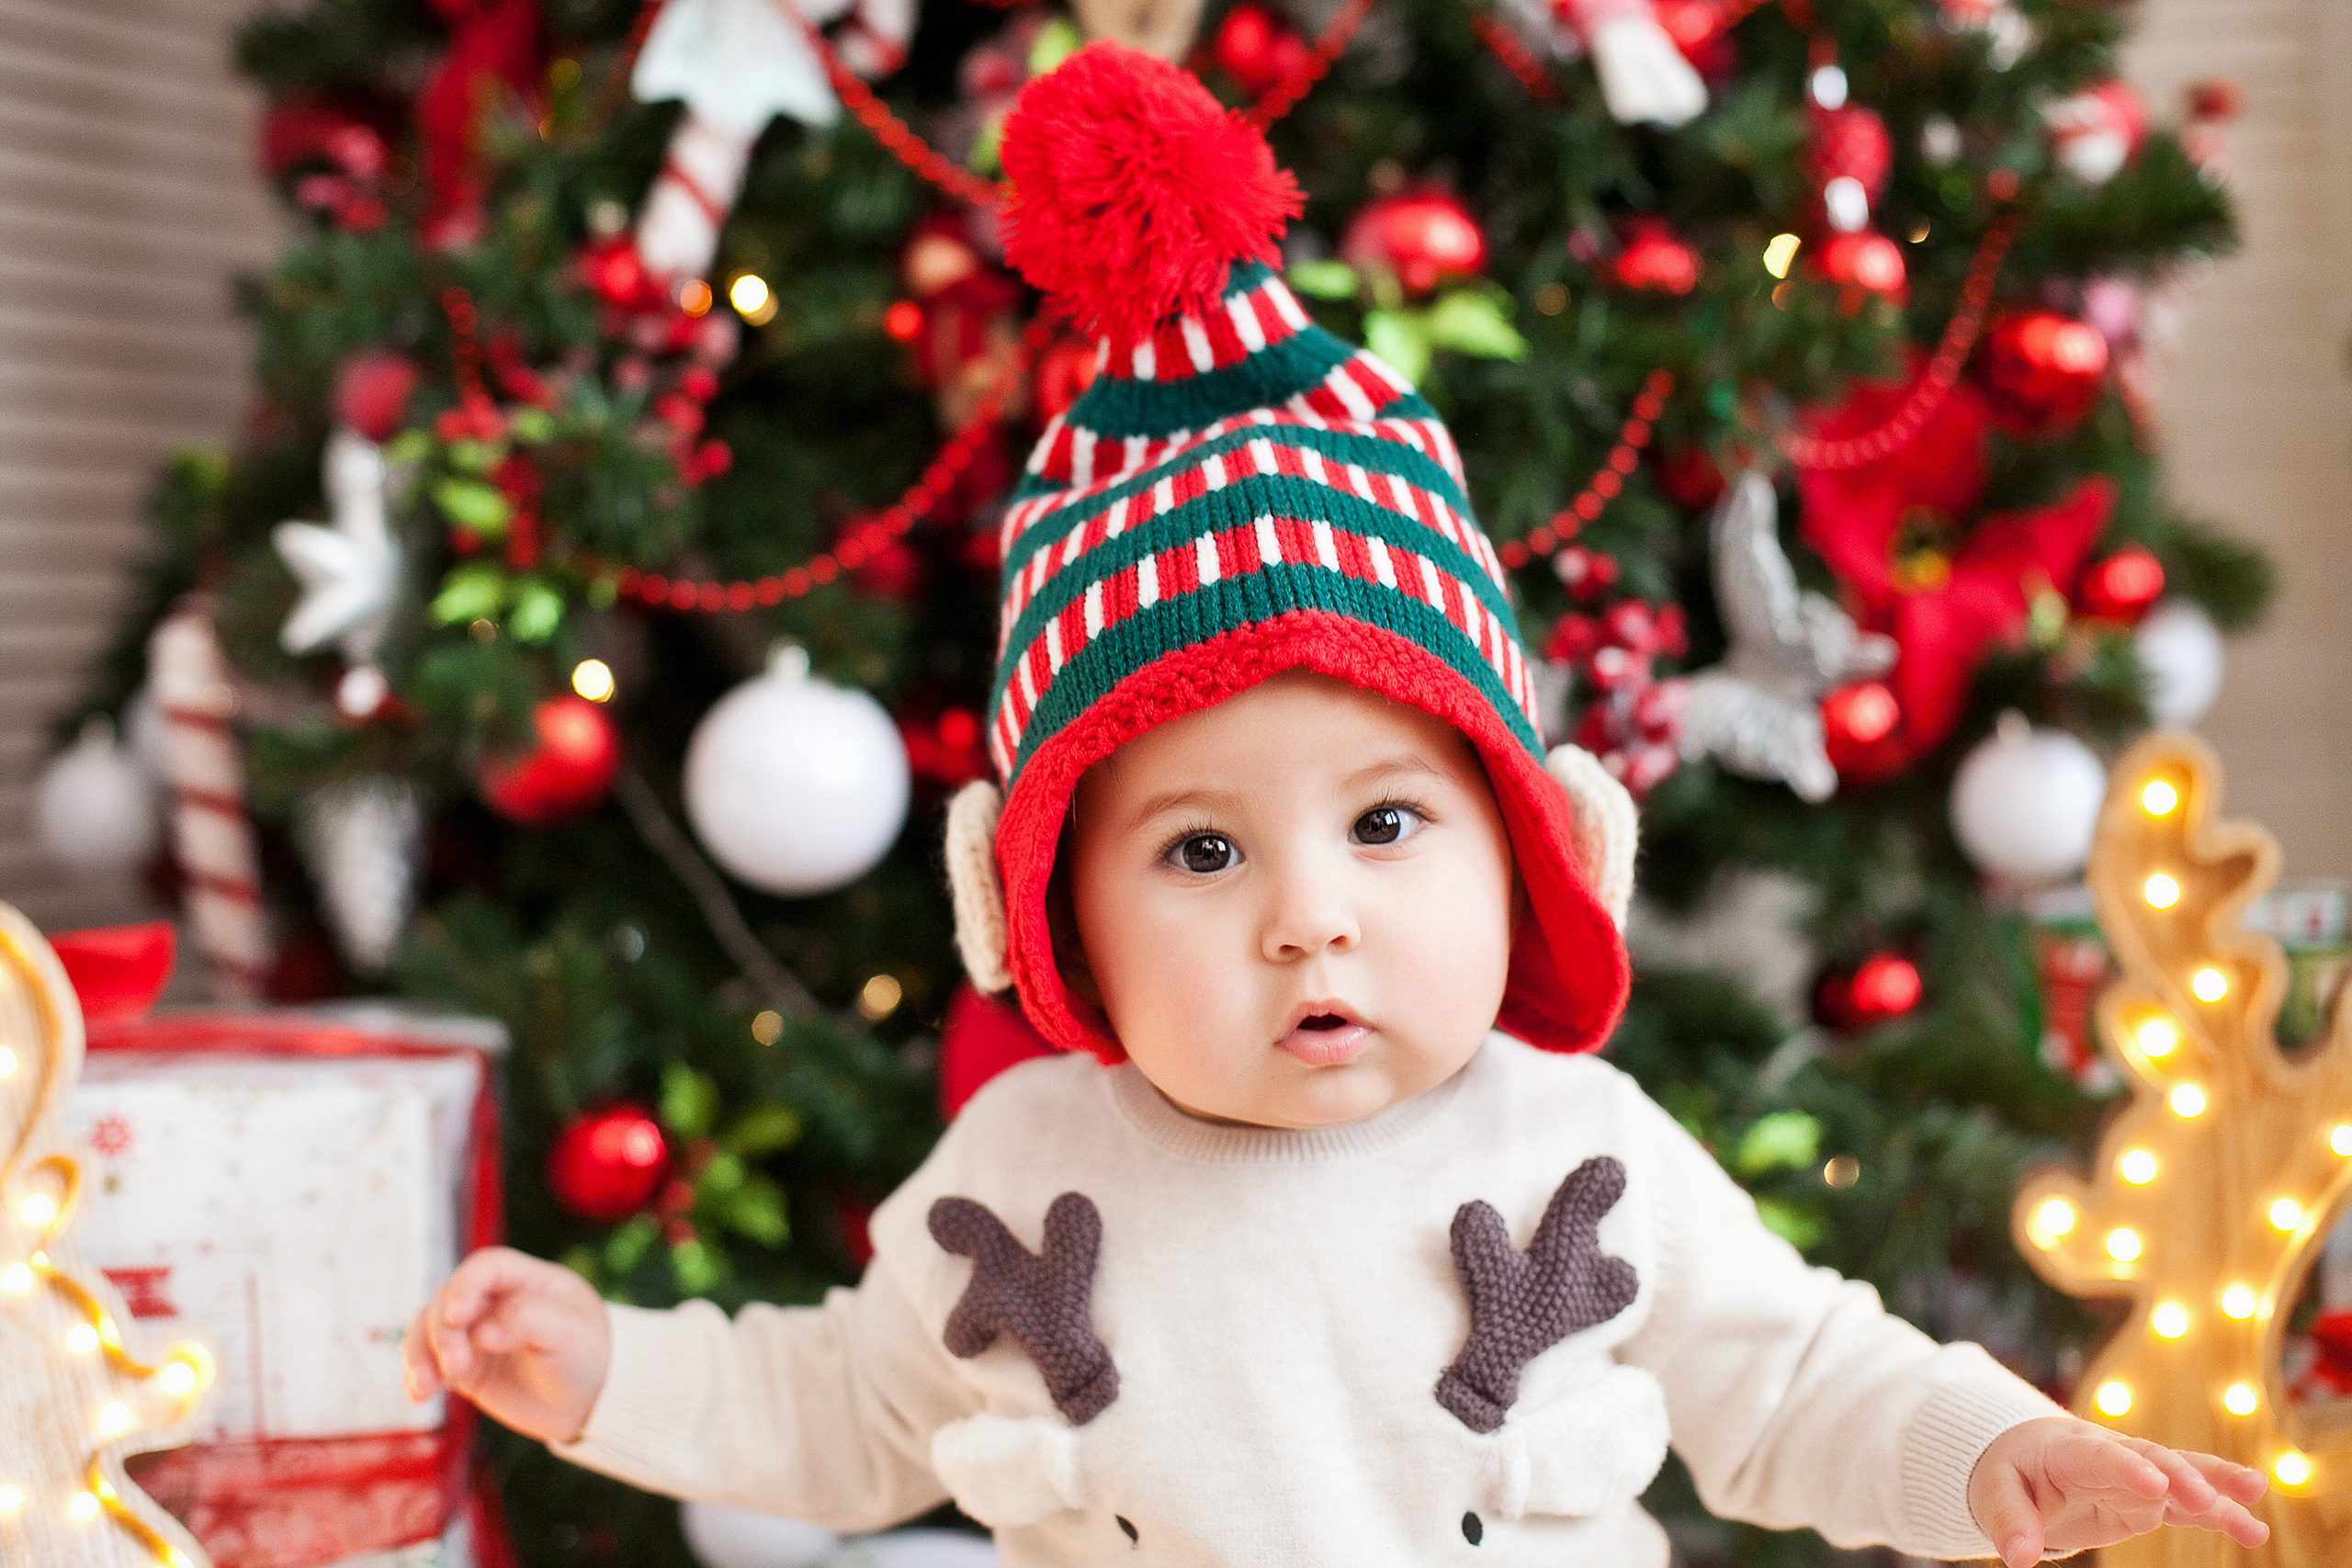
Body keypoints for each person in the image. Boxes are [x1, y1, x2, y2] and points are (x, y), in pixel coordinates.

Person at [405, 43, 2271, 1568]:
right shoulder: (1029, 1166)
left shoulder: (1570, 1145)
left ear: (1523, 839)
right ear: (1048, 916)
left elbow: (1789, 1376)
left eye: (1384, 822)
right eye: (1200, 848)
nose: (1308, 911)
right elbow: (844, 1403)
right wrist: (604, 1370)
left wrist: (1991, 1448)